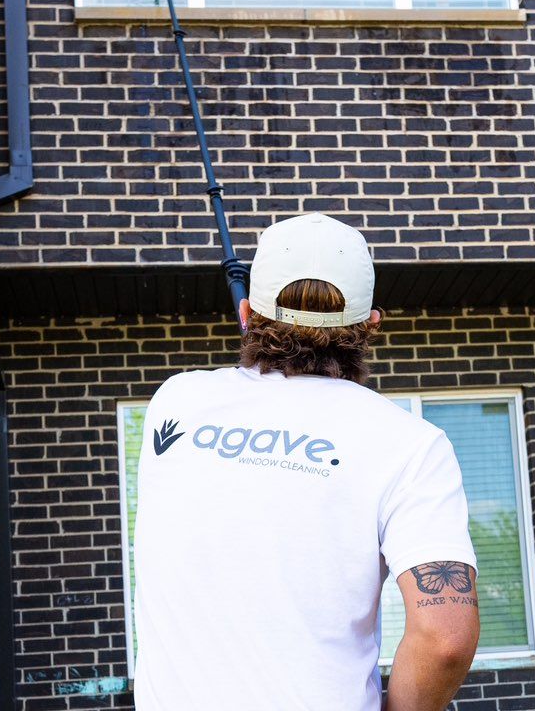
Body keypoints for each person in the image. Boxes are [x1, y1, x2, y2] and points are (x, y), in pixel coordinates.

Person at [133, 213, 479, 711]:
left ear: (248, 312)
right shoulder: (410, 443)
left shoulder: (176, 401)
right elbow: (445, 637)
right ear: (371, 325)